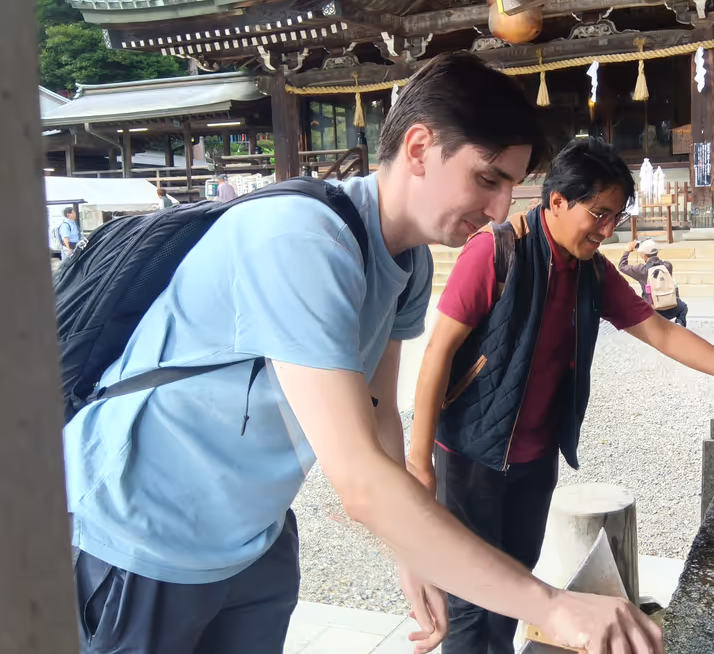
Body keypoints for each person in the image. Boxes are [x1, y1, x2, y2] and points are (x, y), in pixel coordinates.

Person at [63, 53, 663, 654]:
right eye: (488, 179)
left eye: (511, 185)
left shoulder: (409, 261)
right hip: (144, 530)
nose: (500, 209)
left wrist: (413, 549)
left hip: (253, 533)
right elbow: (358, 478)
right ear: (421, 148)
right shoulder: (302, 241)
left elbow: (378, 420)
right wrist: (553, 608)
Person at [407, 137, 714, 654]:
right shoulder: (495, 251)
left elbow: (662, 333)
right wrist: (419, 463)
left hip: (535, 455)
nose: (606, 230)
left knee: (515, 582)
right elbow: (437, 353)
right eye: (598, 214)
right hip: (470, 455)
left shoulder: (592, 271)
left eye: (615, 218)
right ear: (557, 202)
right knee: (469, 601)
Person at [618, 239, 688, 326]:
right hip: (671, 307)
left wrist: (627, 251)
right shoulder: (667, 266)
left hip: (651, 311)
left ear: (643, 255)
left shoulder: (641, 270)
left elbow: (622, 266)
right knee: (683, 307)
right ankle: (679, 323)